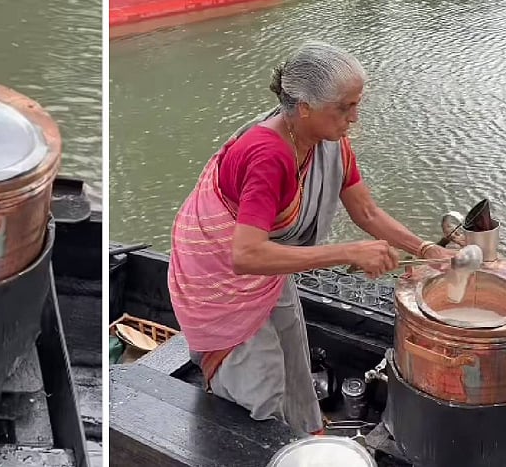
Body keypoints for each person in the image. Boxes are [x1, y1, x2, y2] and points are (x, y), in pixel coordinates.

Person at [167, 41, 453, 432]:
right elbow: (246, 255)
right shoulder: (268, 154)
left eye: (356, 105)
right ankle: (260, 447)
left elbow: (366, 212)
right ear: (305, 107)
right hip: (221, 279)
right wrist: (349, 252)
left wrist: (425, 249)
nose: (354, 118)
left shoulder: (327, 142)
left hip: (268, 267)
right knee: (261, 388)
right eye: (345, 108)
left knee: (294, 357)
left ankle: (305, 435)